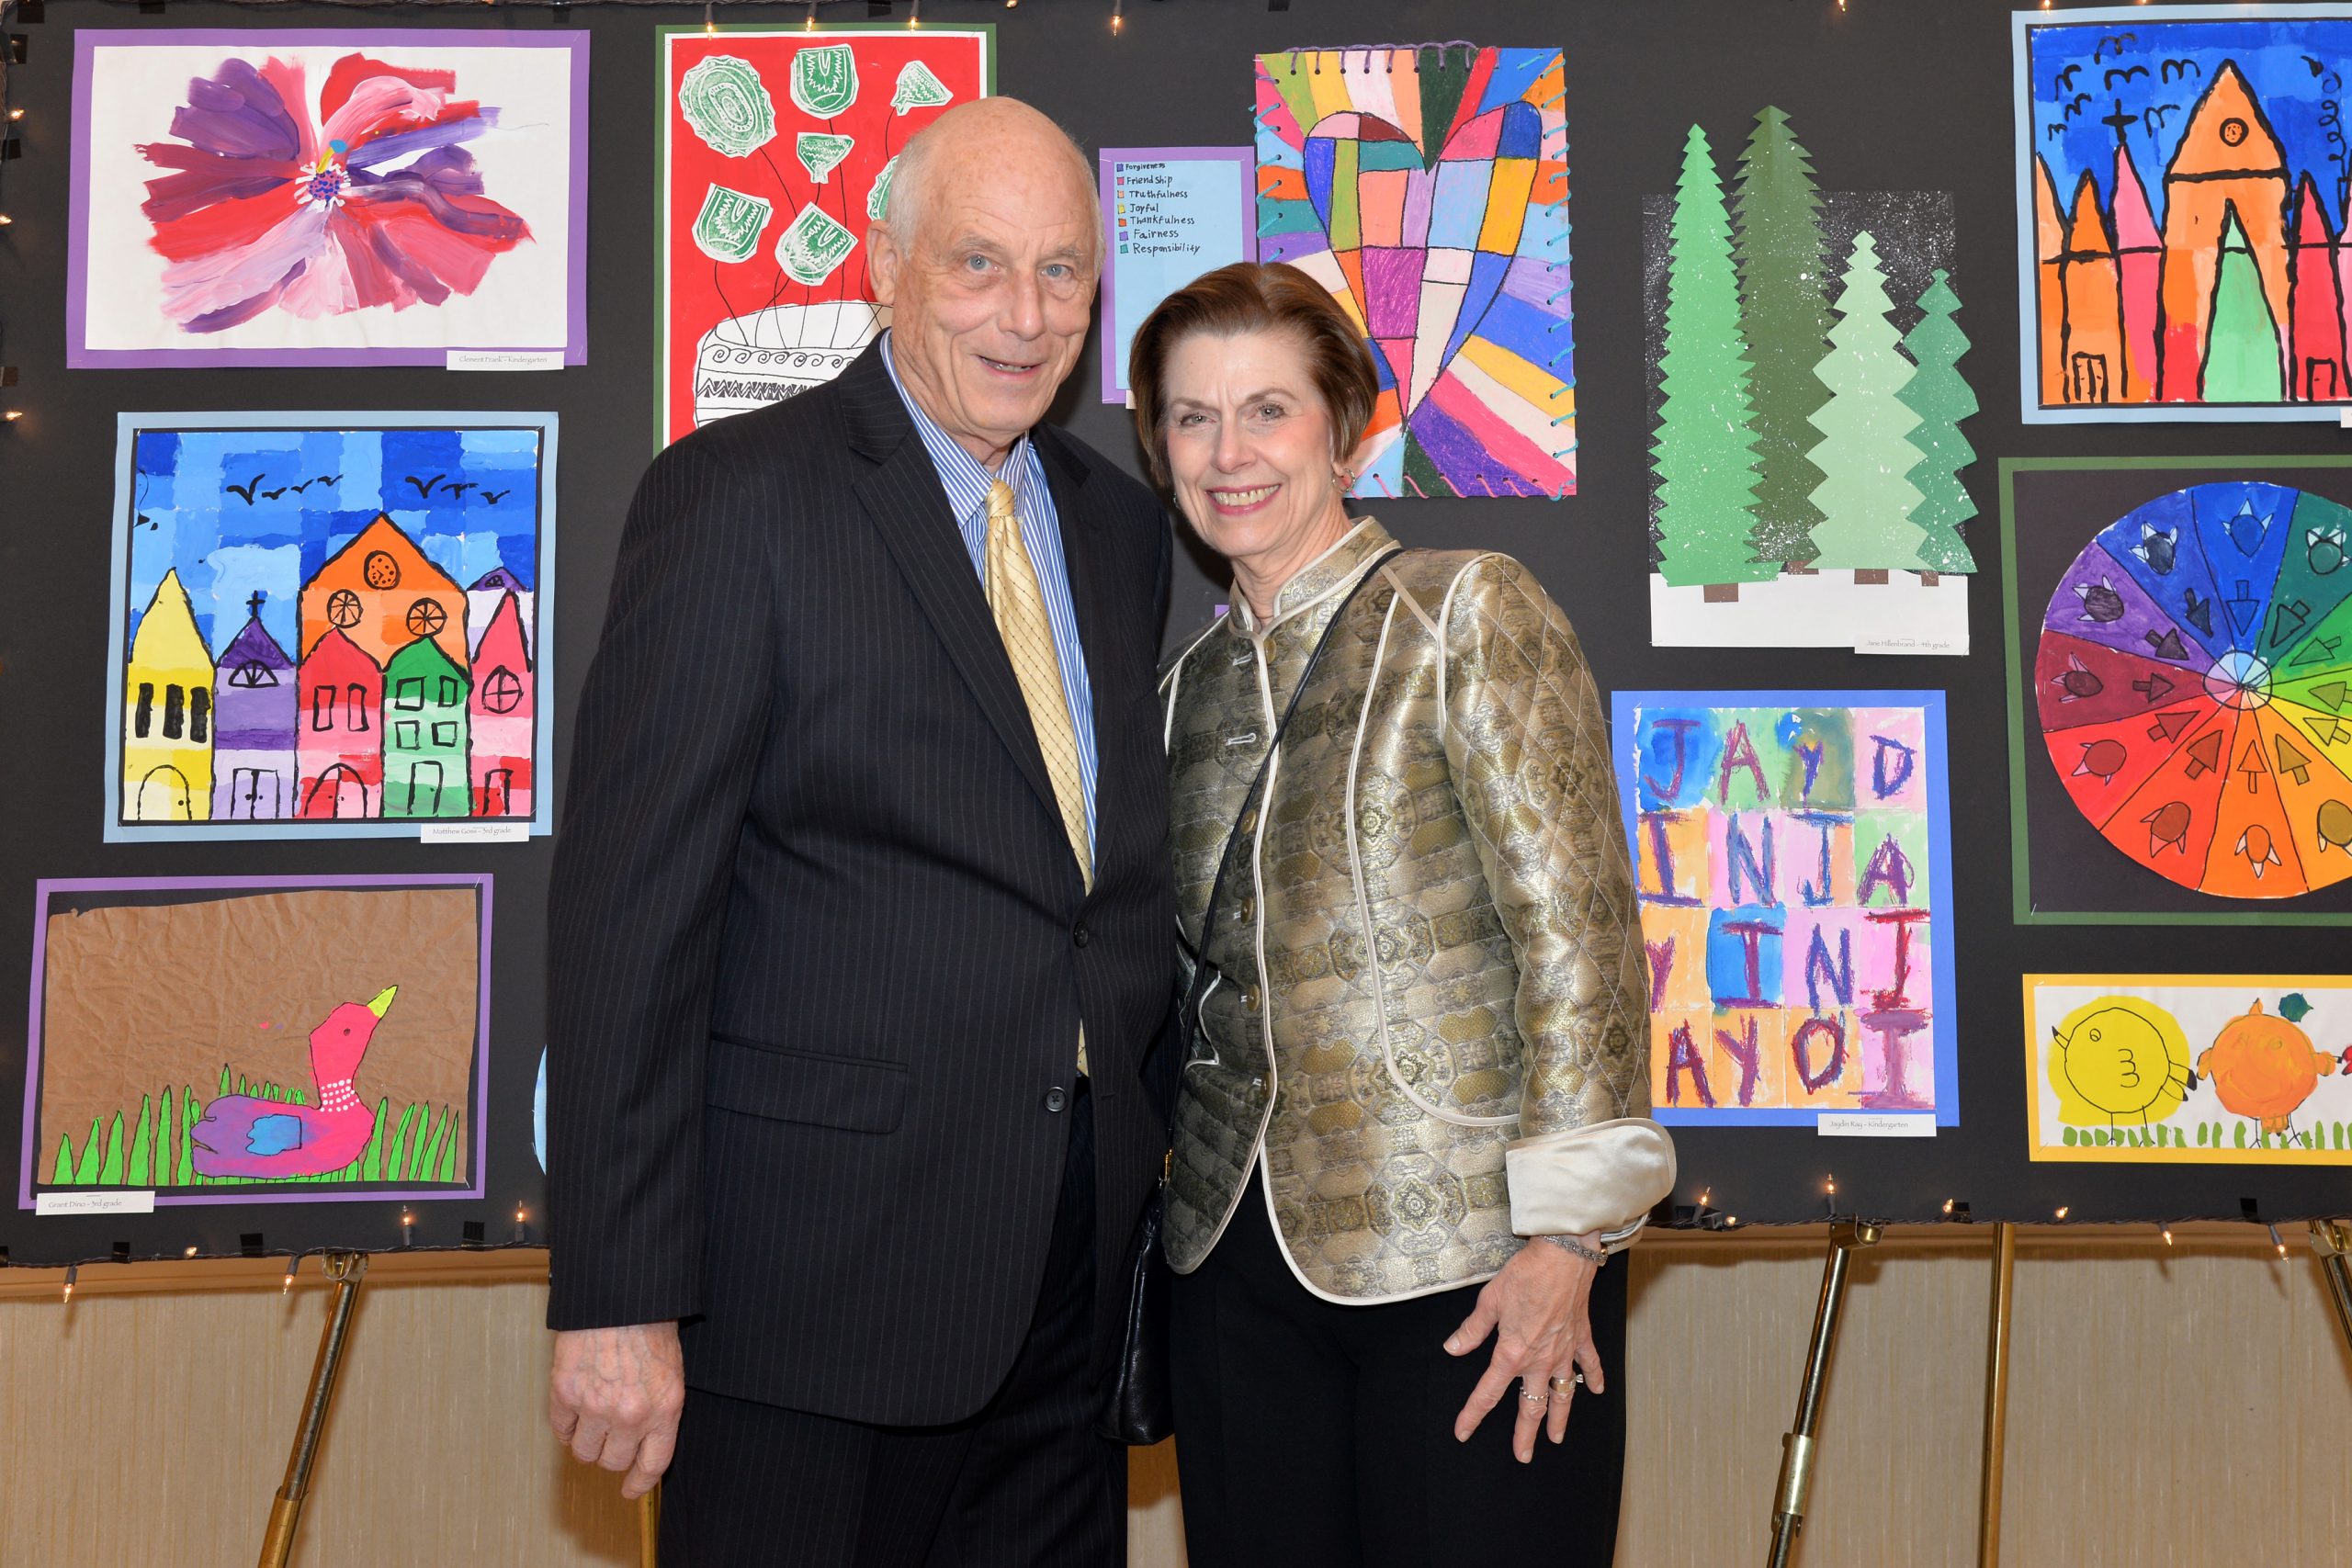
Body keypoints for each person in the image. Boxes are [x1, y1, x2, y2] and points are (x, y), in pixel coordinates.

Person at [543, 98, 1177, 1566]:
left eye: (1064, 272)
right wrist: (618, 1295)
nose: (1027, 317)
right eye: (978, 263)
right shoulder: (736, 499)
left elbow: (1090, 888)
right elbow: (630, 925)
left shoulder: (1118, 525)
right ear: (887, 265)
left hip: (1069, 1291)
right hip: (806, 1304)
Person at [1131, 262, 1677, 1568]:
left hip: (1476, 1269)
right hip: (1233, 1275)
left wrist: (1568, 1241)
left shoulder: (1464, 609)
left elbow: (1581, 942)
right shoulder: (1181, 692)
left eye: (1268, 410)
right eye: (1193, 418)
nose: (1228, 453)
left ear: (1349, 428)